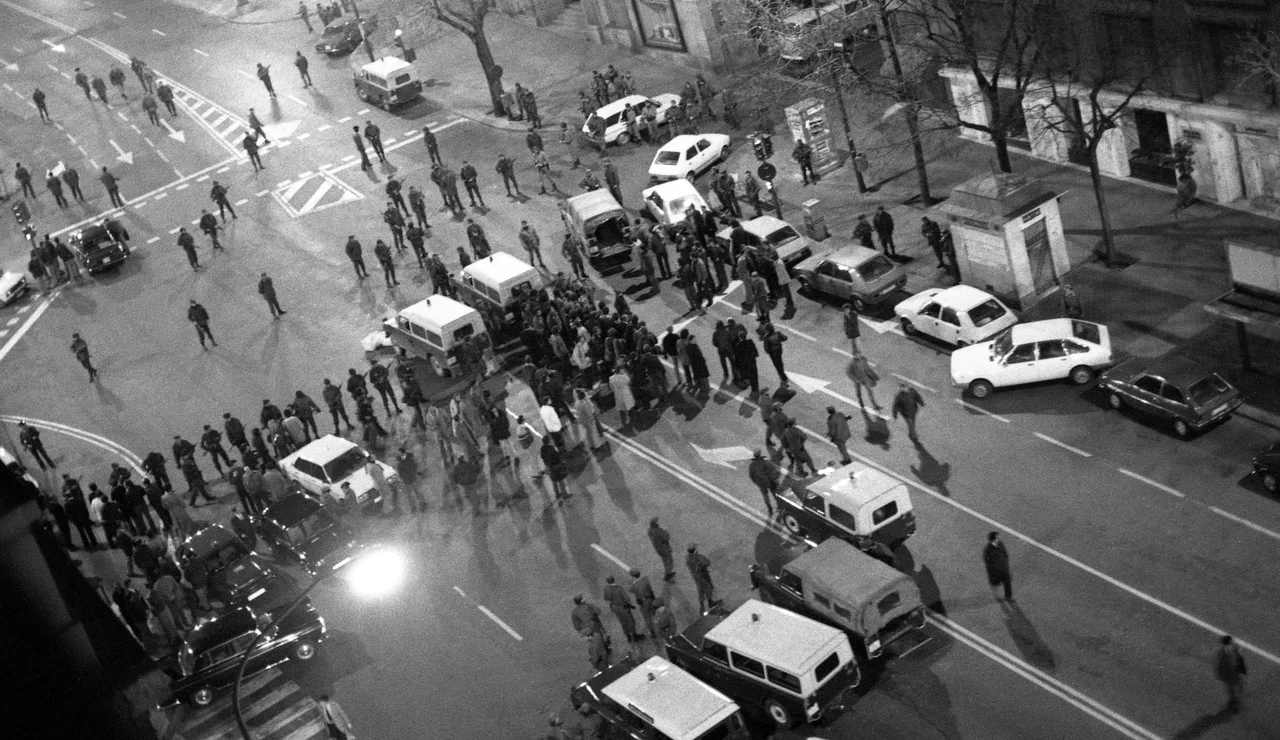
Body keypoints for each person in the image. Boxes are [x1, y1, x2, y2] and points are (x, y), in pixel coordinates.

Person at [602, 574, 640, 642]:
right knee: (630, 621)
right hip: (623, 607)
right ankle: (634, 635)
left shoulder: (606, 589)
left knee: (622, 622)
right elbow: (626, 598)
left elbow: (606, 598)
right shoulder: (619, 588)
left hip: (614, 607)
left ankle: (628, 636)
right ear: (613, 580)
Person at [1215, 635, 1247, 713]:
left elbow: (1219, 664)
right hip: (1233, 673)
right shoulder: (1233, 650)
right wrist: (1242, 671)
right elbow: (1238, 660)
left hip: (1226, 674)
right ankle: (1236, 703)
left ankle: (1233, 700)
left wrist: (1219, 674)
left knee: (1230, 687)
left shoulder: (1221, 651)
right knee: (1239, 686)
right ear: (1230, 642)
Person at [747, 449, 779, 517]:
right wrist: (775, 478)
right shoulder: (765, 462)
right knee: (774, 494)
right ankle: (779, 506)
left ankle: (770, 509)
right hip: (770, 481)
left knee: (765, 496)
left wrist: (756, 482)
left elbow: (751, 475)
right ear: (760, 455)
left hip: (761, 483)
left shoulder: (752, 465)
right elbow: (774, 469)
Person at [686, 544, 717, 612]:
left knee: (700, 590)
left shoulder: (688, 559)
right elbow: (707, 563)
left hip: (696, 576)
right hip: (703, 575)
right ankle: (710, 602)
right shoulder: (698, 558)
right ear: (694, 550)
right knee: (707, 588)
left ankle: (702, 605)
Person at [982, 532, 1012, 601]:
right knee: (995, 584)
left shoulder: (1000, 543)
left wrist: (1006, 563)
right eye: (998, 538)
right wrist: (993, 569)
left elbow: (1005, 553)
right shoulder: (988, 550)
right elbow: (987, 561)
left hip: (1004, 568)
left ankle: (1008, 596)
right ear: (993, 540)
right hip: (995, 571)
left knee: (1007, 582)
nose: (999, 538)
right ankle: (997, 596)